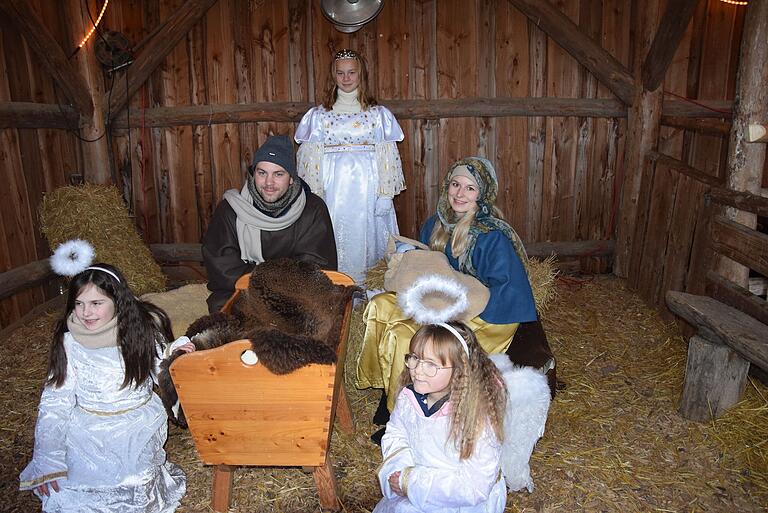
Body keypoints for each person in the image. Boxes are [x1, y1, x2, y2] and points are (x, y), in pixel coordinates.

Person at [357, 156, 555, 417]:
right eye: (455, 184)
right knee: (379, 306)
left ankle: (406, 410)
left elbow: (505, 290)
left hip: (485, 315)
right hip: (439, 301)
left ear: (482, 195)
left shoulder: (491, 236)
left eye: (469, 188)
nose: (460, 194)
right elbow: (426, 266)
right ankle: (390, 387)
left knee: (405, 335)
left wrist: (452, 313)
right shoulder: (435, 224)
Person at [20, 242, 187, 513]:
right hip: (87, 429)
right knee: (69, 492)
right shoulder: (69, 343)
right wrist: (48, 455)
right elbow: (55, 401)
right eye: (79, 304)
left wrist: (178, 356)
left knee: (131, 488)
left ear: (117, 301)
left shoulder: (141, 333)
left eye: (97, 303)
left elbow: (163, 369)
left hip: (135, 426)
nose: (86, 313)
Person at [295, 48, 405, 284]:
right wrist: (315, 195)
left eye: (351, 72)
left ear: (360, 75)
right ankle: (336, 285)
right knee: (334, 234)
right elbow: (310, 160)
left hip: (368, 189)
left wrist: (385, 194)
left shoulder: (378, 115)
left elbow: (387, 156)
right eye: (340, 73)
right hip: (333, 191)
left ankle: (369, 288)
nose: (346, 78)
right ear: (333, 76)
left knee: (367, 236)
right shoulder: (318, 116)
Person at [374, 322, 507, 513]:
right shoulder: (408, 398)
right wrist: (399, 472)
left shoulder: (475, 418)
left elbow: (475, 485)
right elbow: (396, 434)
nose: (417, 370)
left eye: (431, 364)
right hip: (414, 484)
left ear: (459, 370)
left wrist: (413, 482)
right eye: (414, 358)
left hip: (459, 500)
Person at [202, 135, 338, 312]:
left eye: (278, 174)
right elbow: (222, 267)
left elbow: (316, 268)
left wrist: (271, 284)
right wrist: (265, 284)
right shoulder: (230, 209)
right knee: (225, 313)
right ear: (253, 174)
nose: (268, 183)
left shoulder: (313, 209)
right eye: (262, 173)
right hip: (243, 292)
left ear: (291, 178)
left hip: (295, 296)